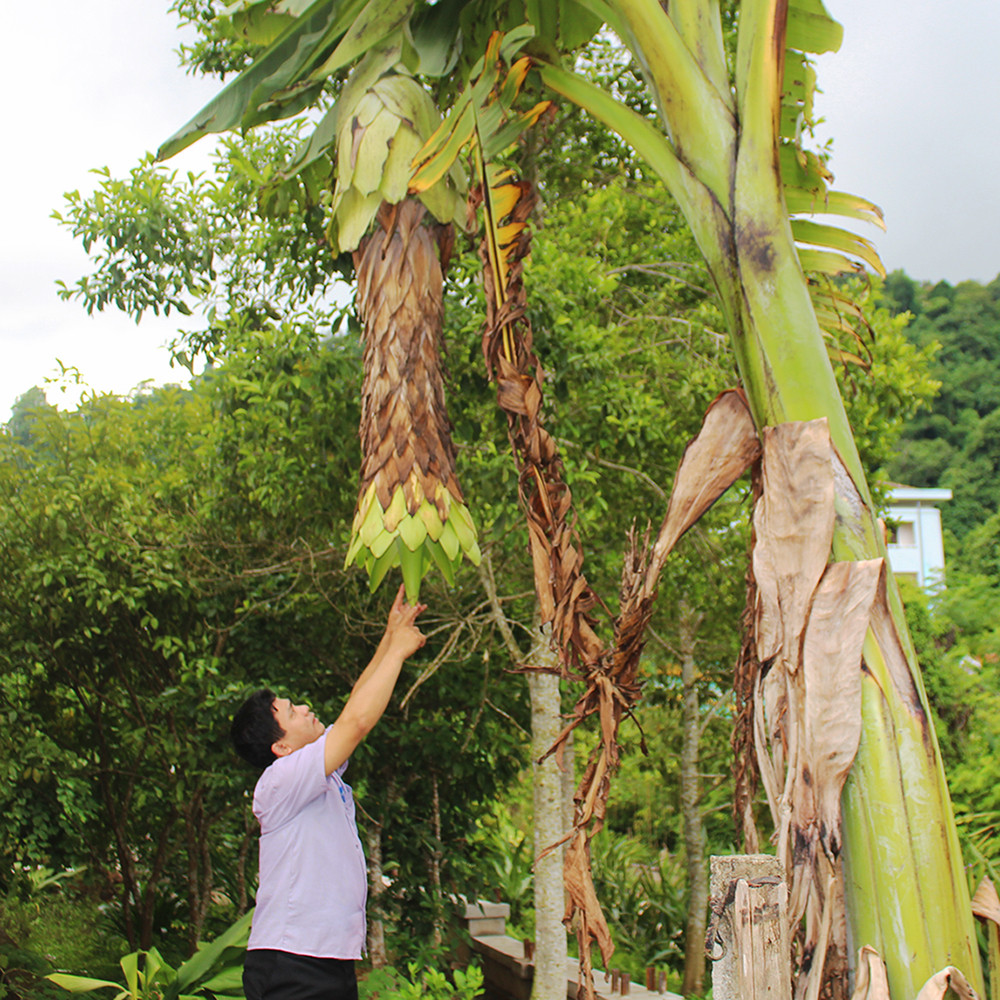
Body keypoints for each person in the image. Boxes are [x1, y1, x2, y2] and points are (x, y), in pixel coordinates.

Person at [230, 584, 427, 1000]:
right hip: (291, 961)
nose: (303, 707)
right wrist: (396, 654)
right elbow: (357, 722)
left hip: (325, 960)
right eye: (290, 710)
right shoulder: (281, 780)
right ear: (280, 747)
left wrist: (390, 637)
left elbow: (355, 705)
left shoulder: (318, 772)